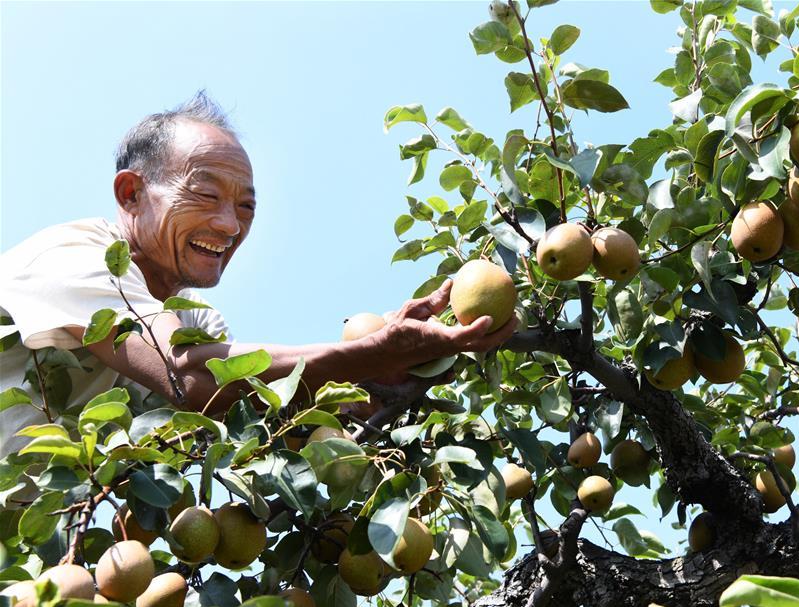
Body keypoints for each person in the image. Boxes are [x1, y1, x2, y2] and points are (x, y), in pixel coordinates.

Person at [0, 92, 517, 458]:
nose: (228, 225)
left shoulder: (200, 323)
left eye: (246, 207)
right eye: (205, 195)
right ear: (131, 193)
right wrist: (377, 351)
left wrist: (389, 375)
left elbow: (259, 419)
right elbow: (187, 376)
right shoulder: (73, 255)